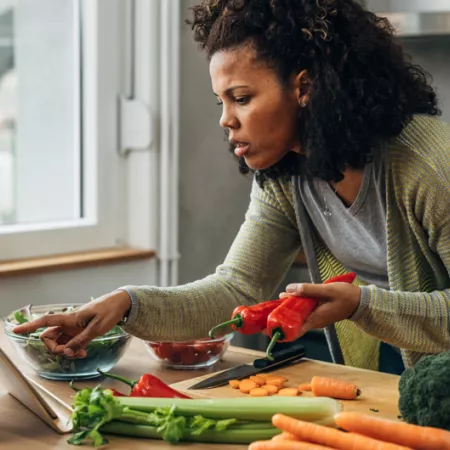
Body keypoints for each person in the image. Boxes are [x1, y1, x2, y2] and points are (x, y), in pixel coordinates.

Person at [14, 0, 450, 371]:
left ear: (305, 87)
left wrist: (362, 305)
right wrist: (125, 304)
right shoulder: (288, 174)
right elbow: (235, 290)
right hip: (411, 359)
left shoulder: (428, 166)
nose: (226, 119)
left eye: (241, 98)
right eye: (221, 101)